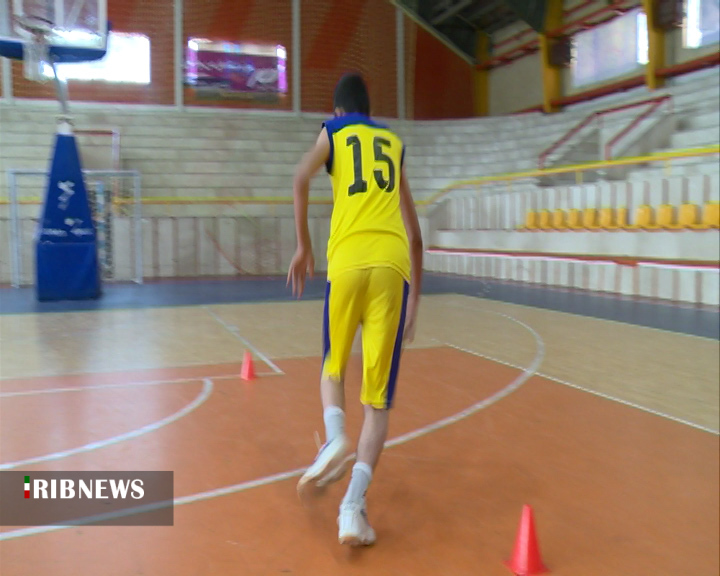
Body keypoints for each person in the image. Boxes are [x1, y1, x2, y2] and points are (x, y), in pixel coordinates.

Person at [287, 73, 423, 547]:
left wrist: (304, 246)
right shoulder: (393, 143)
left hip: (346, 262)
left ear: (339, 111)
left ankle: (335, 436)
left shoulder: (334, 131)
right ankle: (351, 509)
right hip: (392, 268)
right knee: (377, 402)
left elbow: (299, 178)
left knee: (332, 367)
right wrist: (416, 298)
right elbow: (415, 234)